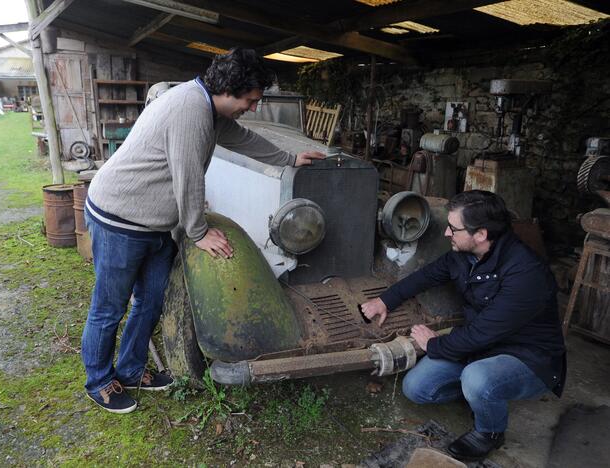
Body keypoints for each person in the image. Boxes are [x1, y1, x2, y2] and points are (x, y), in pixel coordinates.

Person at [82, 48, 325, 414]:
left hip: (153, 224)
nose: (254, 107)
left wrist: (290, 159)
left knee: (150, 301)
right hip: (120, 218)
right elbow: (189, 178)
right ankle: (99, 381)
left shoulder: (209, 107)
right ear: (229, 90)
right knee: (109, 308)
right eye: (251, 99)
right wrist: (198, 232)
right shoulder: (189, 109)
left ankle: (131, 370)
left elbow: (243, 139)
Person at [361, 190, 566, 462]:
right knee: (417, 389)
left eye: (453, 228)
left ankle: (490, 432)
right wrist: (385, 300)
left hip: (527, 356)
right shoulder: (466, 253)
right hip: (481, 347)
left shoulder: (526, 273)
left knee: (477, 379)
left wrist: (434, 345)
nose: (447, 233)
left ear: (480, 234)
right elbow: (429, 274)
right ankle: (480, 393)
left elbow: (481, 334)